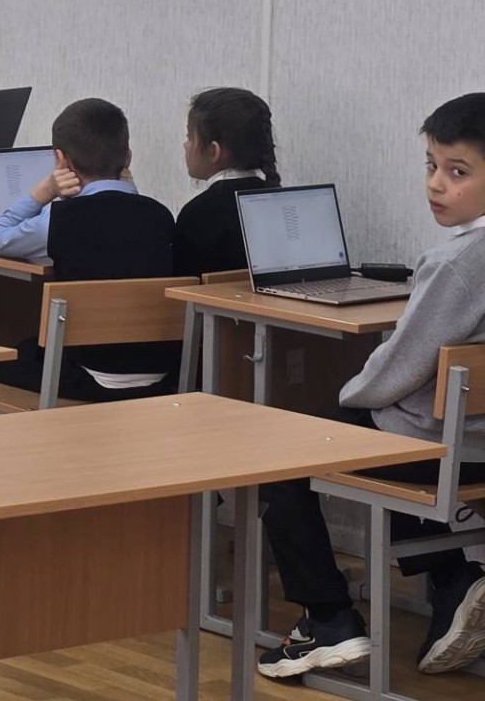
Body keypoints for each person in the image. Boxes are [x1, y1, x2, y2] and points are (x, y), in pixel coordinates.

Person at [257, 94, 485, 681]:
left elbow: (397, 369)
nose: (436, 183)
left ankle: (328, 620)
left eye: (458, 171)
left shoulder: (458, 262)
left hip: (443, 449)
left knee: (282, 452)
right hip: (471, 443)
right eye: (431, 165)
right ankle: (456, 583)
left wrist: (347, 398)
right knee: (390, 425)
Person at [0, 97, 178, 401]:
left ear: (62, 161)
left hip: (89, 374)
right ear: (127, 157)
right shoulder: (161, 216)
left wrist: (44, 191)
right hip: (160, 374)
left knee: (2, 361)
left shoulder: (60, 219)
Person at [174, 86, 279, 277]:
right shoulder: (278, 200)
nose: (185, 145)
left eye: (189, 137)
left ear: (213, 151)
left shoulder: (198, 214)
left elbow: (182, 286)